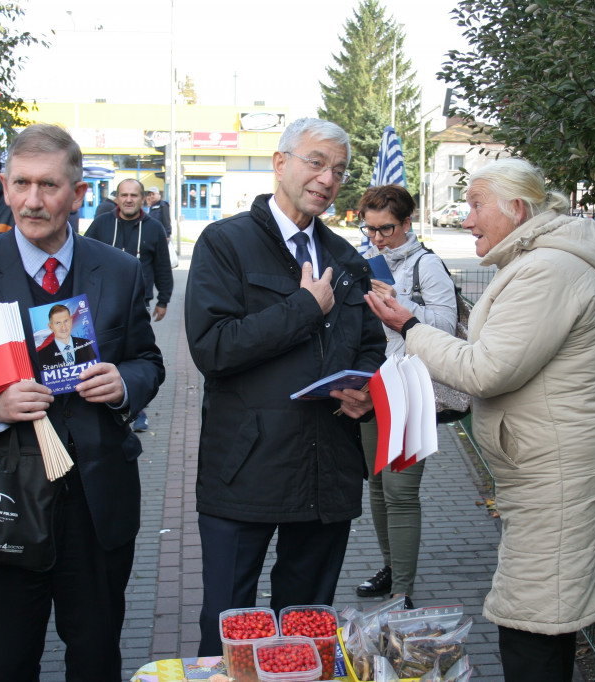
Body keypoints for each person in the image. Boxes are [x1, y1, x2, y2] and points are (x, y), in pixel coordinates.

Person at [365, 158, 595, 682]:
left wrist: (409, 324)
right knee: (538, 618)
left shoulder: (549, 271)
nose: (466, 220)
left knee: (530, 624)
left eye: (476, 205)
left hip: (558, 482)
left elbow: (485, 371)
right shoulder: (537, 265)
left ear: (518, 209)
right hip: (544, 478)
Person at [0, 123, 165, 681]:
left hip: (95, 499)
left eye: (49, 186)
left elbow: (149, 362)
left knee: (95, 651)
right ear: (4, 186)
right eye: (21, 184)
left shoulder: (122, 272)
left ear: (79, 194)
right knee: (7, 658)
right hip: (2, 500)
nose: (32, 201)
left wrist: (125, 382)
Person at [184, 117, 386, 656]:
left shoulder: (346, 258)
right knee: (229, 629)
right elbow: (213, 348)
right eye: (316, 162)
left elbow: (370, 345)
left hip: (326, 475)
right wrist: (302, 308)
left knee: (305, 632)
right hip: (245, 471)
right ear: (280, 163)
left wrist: (367, 393)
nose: (327, 178)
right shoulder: (225, 243)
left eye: (338, 170)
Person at [354, 184, 457, 610]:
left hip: (412, 385)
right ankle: (391, 568)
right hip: (371, 385)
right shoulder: (367, 262)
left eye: (387, 229)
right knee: (378, 488)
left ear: (408, 223)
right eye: (370, 229)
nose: (377, 238)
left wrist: (403, 303)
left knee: (400, 492)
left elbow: (447, 327)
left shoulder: (426, 265)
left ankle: (403, 590)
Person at [85, 178, 172, 432]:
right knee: (101, 355)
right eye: (124, 195)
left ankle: (138, 409)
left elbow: (162, 266)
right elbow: (81, 254)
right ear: (117, 198)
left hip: (137, 304)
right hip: (99, 303)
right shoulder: (102, 223)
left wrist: (164, 299)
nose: (128, 199)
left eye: (134, 195)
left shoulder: (153, 227)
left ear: (142, 198)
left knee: (134, 357)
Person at [36, 304, 98, 369]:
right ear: (51, 327)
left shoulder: (86, 343)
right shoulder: (42, 354)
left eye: (66, 321)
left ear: (71, 321)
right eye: (58, 323)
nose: (63, 327)